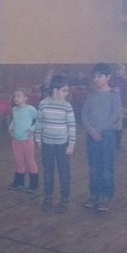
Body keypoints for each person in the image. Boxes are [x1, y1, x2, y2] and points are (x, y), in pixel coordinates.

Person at [81, 63, 122, 212]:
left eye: (100, 76)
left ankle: (106, 195)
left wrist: (99, 129)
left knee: (106, 167)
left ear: (108, 77)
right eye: (94, 76)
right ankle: (94, 193)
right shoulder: (91, 95)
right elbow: (84, 114)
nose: (96, 79)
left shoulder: (113, 95)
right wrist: (90, 129)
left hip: (107, 136)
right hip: (91, 135)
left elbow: (115, 115)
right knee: (93, 167)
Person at [35, 75, 76, 213]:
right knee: (48, 172)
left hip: (62, 145)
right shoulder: (43, 104)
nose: (66, 93)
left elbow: (71, 126)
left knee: (64, 173)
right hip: (47, 144)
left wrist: (71, 144)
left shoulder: (67, 106)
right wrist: (38, 138)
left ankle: (65, 198)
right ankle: (48, 197)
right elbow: (39, 122)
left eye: (67, 91)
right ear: (55, 90)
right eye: (64, 90)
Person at [8, 87, 38, 193]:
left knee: (30, 161)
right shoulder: (14, 109)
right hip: (16, 140)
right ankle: (19, 182)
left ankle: (34, 184)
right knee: (18, 161)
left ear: (25, 98)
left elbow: (39, 120)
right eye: (14, 96)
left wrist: (32, 129)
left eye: (18, 96)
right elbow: (14, 120)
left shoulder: (31, 109)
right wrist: (10, 128)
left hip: (27, 140)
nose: (15, 98)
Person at [110, 64, 127, 150]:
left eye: (123, 70)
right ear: (116, 70)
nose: (121, 72)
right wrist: (113, 90)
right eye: (120, 70)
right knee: (111, 123)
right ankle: (111, 141)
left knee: (119, 124)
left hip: (120, 104)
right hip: (111, 104)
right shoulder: (111, 80)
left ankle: (117, 143)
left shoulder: (126, 81)